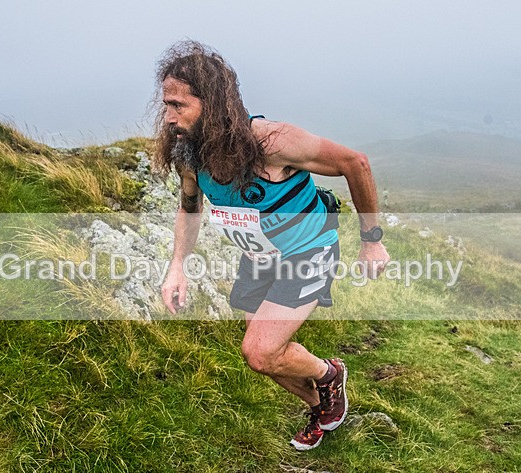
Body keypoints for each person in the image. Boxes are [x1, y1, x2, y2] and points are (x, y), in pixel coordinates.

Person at [154, 41, 389, 451]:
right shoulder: (189, 153)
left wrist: (371, 243)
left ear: (211, 102)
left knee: (260, 352)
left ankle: (330, 374)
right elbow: (189, 207)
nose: (169, 117)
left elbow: (356, 163)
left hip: (308, 251)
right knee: (264, 353)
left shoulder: (273, 142)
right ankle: (323, 403)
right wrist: (178, 266)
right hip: (259, 257)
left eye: (178, 106)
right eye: (166, 105)